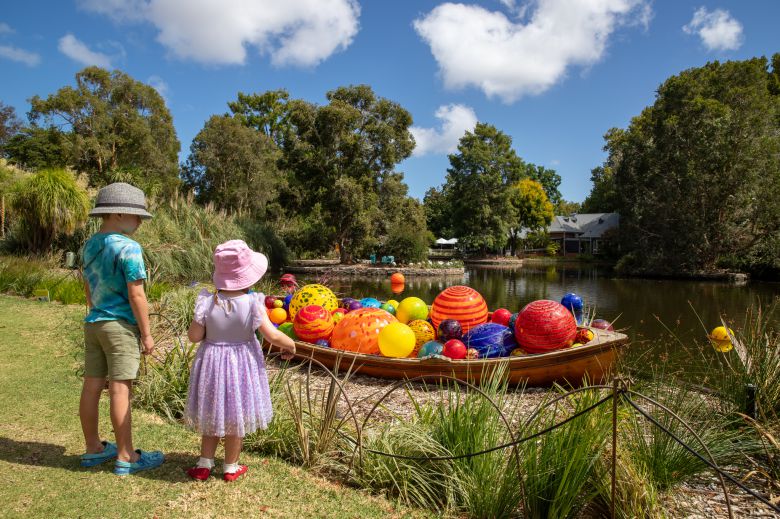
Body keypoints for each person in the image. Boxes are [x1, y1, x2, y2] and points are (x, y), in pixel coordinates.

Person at [185, 240, 296, 481]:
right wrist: (291, 344)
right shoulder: (253, 303)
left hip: (212, 363)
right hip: (241, 363)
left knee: (212, 412)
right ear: (248, 276)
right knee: (236, 414)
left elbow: (194, 337)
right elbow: (272, 335)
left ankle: (204, 463)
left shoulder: (206, 301)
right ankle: (230, 467)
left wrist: (207, 328)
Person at [78, 182, 164, 475]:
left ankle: (93, 448)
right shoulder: (129, 248)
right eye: (136, 215)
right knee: (119, 390)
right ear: (115, 213)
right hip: (120, 326)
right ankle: (127, 456)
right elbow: (137, 294)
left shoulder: (89, 245)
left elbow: (88, 288)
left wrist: (97, 311)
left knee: (91, 385)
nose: (140, 221)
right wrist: (148, 334)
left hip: (95, 323)